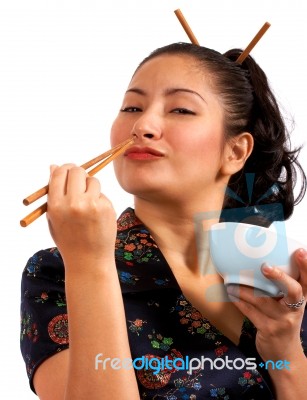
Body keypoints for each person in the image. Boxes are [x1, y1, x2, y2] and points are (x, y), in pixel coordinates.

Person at [20, 42, 307, 400]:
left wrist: (286, 351)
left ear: (235, 151)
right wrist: (89, 264)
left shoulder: (281, 276)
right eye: (132, 107)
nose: (142, 125)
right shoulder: (58, 271)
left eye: (182, 109)